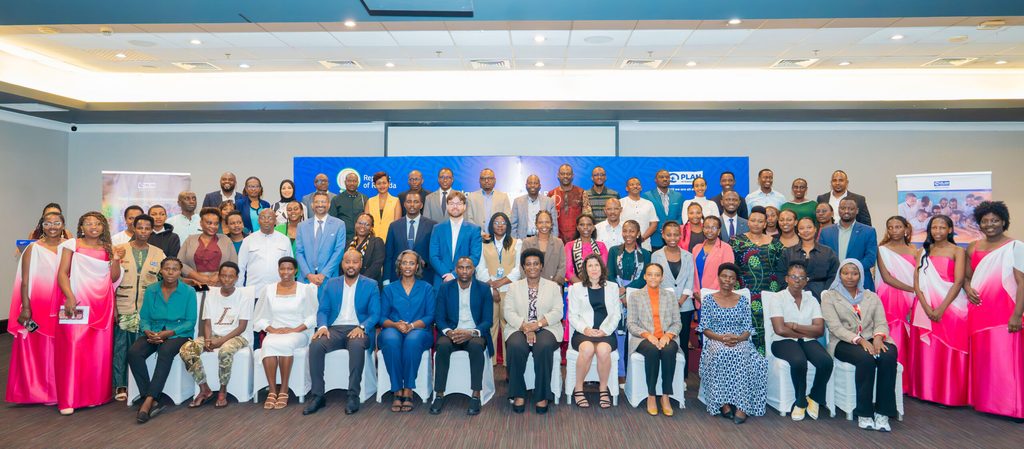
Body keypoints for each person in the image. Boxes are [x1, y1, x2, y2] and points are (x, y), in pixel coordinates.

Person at [54, 211, 121, 415]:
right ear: (81, 227)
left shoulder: (108, 248)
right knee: (73, 349)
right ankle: (68, 399)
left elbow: (113, 278)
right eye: (88, 223)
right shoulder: (71, 245)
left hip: (101, 303)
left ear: (103, 227)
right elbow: (62, 274)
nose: (93, 226)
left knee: (97, 352)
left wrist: (116, 260)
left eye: (98, 223)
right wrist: (70, 296)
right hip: (77, 303)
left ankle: (94, 396)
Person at [821, 259, 898, 432]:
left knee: (888, 355)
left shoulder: (871, 296)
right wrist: (860, 340)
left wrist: (878, 338)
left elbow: (881, 322)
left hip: (873, 338)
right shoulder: (830, 297)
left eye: (854, 273)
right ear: (840, 274)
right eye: (846, 273)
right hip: (844, 341)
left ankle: (883, 412)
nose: (850, 277)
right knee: (866, 359)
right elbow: (835, 327)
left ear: (861, 275)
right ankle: (864, 412)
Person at [964, 201, 1024, 420]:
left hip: (1005, 312)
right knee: (985, 359)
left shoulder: (1016, 246)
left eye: (995, 220)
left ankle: (1012, 407)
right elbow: (966, 276)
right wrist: (967, 288)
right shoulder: (973, 247)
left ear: (1004, 222)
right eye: (985, 221)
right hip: (979, 311)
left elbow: (1022, 282)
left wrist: (1017, 314)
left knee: (1007, 359)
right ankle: (987, 403)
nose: (990, 225)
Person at [304, 250, 381, 416]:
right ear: (342, 264)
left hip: (358, 329)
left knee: (356, 346)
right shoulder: (332, 283)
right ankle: (317, 395)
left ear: (360, 264)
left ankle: (353, 395)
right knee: (316, 345)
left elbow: (375, 314)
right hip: (334, 329)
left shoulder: (371, 284)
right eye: (347, 262)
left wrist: (362, 327)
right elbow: (323, 309)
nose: (351, 265)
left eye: (354, 262)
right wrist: (323, 327)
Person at [127, 257, 197, 423]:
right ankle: (149, 396)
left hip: (180, 333)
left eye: (175, 269)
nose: (171, 272)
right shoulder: (152, 290)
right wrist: (148, 331)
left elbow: (190, 321)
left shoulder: (188, 291)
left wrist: (169, 333)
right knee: (134, 353)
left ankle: (149, 400)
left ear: (180, 272)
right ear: (161, 270)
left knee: (165, 351)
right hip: (154, 331)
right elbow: (144, 317)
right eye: (167, 268)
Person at [909, 215, 968, 406]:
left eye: (942, 227)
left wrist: (941, 308)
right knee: (928, 350)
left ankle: (950, 395)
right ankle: (925, 391)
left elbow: (959, 281)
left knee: (948, 349)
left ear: (950, 230)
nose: (938, 231)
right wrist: (927, 307)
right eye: (934, 227)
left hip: (951, 306)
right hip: (924, 306)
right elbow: (917, 283)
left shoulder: (958, 251)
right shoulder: (922, 252)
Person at [697, 263, 767, 424]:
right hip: (716, 339)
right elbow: (705, 328)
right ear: (719, 277)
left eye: (731, 278)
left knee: (742, 355)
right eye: (724, 276)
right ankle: (724, 403)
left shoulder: (742, 300)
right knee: (721, 353)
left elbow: (748, 328)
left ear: (736, 281)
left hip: (739, 339)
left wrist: (738, 339)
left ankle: (743, 406)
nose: (727, 280)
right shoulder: (708, 299)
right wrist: (722, 338)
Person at [6, 210, 64, 405]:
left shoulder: (69, 247)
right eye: (48, 223)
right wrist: (26, 308)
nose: (52, 227)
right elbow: (25, 280)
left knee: (60, 349)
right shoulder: (34, 248)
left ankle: (58, 391)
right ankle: (39, 392)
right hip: (38, 304)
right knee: (39, 348)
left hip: (63, 305)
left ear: (63, 225)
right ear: (41, 226)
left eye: (57, 223)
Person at [179, 262, 253, 409]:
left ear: (237, 278)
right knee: (186, 349)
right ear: (219, 277)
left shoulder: (243, 296)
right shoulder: (211, 294)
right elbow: (207, 322)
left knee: (225, 351)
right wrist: (207, 339)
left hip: (237, 336)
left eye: (231, 276)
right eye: (224, 276)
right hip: (212, 334)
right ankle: (204, 388)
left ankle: (223, 390)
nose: (227, 279)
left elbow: (242, 326)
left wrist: (220, 342)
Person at [766, 261, 832, 421]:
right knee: (798, 360)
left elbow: (819, 330)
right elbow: (780, 329)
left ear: (806, 280)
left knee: (826, 362)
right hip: (782, 341)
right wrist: (806, 329)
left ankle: (814, 397)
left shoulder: (812, 300)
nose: (797, 280)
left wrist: (795, 326)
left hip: (807, 340)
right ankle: (801, 401)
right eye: (793, 277)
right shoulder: (777, 298)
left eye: (801, 277)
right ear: (787, 278)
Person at [112, 214, 165, 402]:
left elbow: (163, 282)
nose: (143, 231)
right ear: (133, 228)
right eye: (139, 227)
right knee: (121, 347)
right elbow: (110, 281)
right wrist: (114, 309)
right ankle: (120, 385)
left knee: (140, 348)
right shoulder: (119, 250)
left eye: (147, 228)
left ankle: (138, 385)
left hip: (147, 310)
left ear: (152, 230)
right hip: (124, 305)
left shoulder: (158, 254)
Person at [504, 248, 564, 414]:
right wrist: (525, 327)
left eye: (536, 264)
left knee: (543, 347)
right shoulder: (513, 287)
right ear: (523, 267)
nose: (532, 267)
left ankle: (542, 395)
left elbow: (558, 312)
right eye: (528, 264)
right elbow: (508, 312)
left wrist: (536, 325)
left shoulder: (553, 287)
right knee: (516, 346)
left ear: (541, 266)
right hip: (518, 326)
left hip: (547, 327)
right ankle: (518, 393)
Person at [430, 257, 493, 415]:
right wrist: (450, 332)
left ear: (473, 270)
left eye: (468, 268)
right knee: (443, 345)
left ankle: (476, 394)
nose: (464, 271)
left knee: (476, 346)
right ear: (455, 270)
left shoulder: (484, 289)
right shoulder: (446, 288)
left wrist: (471, 332)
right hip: (452, 332)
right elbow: (439, 318)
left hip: (474, 333)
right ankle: (439, 393)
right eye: (461, 267)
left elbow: (487, 320)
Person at [253, 257, 317, 410]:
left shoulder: (305, 289)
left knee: (286, 343)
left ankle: (284, 389)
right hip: (275, 331)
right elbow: (259, 317)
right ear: (278, 270)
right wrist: (272, 329)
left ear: (295, 271)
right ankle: (272, 390)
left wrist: (295, 329)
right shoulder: (268, 289)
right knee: (268, 343)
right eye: (282, 268)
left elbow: (312, 316)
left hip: (298, 332)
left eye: (289, 269)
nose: (285, 272)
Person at [379, 250, 435, 412]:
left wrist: (411, 326)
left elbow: (430, 316)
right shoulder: (389, 289)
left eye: (411, 263)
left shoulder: (426, 288)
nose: (408, 266)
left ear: (417, 266)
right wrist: (396, 325)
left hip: (419, 330)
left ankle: (409, 389)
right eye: (404, 263)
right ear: (399, 265)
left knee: (412, 341)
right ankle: (397, 390)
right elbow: (381, 318)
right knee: (390, 340)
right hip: (393, 328)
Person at [626, 264, 681, 416]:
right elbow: (630, 324)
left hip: (665, 337)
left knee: (669, 350)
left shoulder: (670, 296)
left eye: (657, 275)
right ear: (644, 276)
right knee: (652, 351)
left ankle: (665, 396)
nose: (653, 278)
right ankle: (651, 395)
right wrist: (648, 335)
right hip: (642, 338)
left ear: (662, 277)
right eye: (650, 274)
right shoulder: (636, 296)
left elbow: (677, 322)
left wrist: (667, 336)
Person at [730, 206, 786, 355]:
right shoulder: (736, 241)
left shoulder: (776, 243)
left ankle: (766, 363)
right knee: (745, 326)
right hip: (744, 291)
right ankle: (745, 361)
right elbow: (732, 267)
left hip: (770, 291)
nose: (756, 223)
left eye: (760, 221)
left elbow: (781, 268)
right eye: (753, 220)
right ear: (748, 222)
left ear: (765, 224)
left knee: (767, 326)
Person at [566, 254, 619, 409]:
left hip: (606, 333)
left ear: (601, 268)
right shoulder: (576, 288)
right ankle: (579, 388)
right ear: (585, 269)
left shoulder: (612, 287)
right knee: (587, 349)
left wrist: (605, 330)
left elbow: (616, 314)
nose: (594, 269)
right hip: (583, 332)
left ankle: (603, 389)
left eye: (596, 265)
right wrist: (586, 329)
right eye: (590, 266)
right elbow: (573, 315)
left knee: (603, 350)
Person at [875, 215, 919, 384]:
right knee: (892, 332)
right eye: (890, 227)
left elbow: (917, 275)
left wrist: (915, 292)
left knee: (909, 334)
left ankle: (906, 380)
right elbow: (886, 278)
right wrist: (912, 289)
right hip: (889, 295)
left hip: (911, 298)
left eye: (898, 227)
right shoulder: (882, 249)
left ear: (906, 229)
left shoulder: (915, 250)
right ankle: (890, 378)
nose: (894, 230)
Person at [476, 212, 522, 365]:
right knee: (491, 326)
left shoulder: (517, 243)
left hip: (510, 290)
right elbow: (480, 268)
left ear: (508, 225)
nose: (500, 225)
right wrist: (493, 287)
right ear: (491, 226)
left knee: (509, 325)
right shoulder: (483, 244)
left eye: (503, 222)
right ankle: (492, 361)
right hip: (489, 291)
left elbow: (518, 268)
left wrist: (500, 283)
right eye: (496, 222)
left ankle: (510, 362)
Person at [651, 221, 696, 376]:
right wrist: (671, 301)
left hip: (685, 306)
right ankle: (664, 374)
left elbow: (690, 280)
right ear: (663, 235)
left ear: (680, 235)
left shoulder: (688, 256)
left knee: (682, 340)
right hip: (663, 305)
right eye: (669, 234)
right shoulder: (656, 255)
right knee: (664, 340)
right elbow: (655, 280)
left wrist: (681, 300)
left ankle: (682, 376)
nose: (672, 238)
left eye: (676, 234)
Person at [820, 198, 878, 291]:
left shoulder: (869, 231)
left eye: (851, 209)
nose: (846, 211)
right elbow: (822, 258)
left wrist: (851, 272)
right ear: (838, 210)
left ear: (857, 211)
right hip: (833, 283)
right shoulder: (826, 232)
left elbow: (870, 258)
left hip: (860, 283)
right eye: (843, 208)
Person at [429, 190, 483, 285]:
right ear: (447, 206)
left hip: (465, 281)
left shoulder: (474, 230)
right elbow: (433, 256)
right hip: (442, 280)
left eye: (458, 203)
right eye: (451, 203)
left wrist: (454, 275)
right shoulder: (437, 229)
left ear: (464, 206)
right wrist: (446, 274)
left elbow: (474, 257)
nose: (455, 207)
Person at [781, 217, 839, 302]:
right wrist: (789, 292)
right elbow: (781, 273)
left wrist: (825, 293)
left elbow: (834, 275)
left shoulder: (828, 252)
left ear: (815, 229)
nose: (806, 231)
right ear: (798, 232)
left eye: (809, 227)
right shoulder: (788, 252)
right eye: (802, 228)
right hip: (793, 297)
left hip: (821, 297)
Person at [238, 209, 294, 294]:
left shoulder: (284, 240)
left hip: (278, 291)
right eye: (263, 218)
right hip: (254, 291)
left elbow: (290, 268)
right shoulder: (248, 240)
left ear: (275, 221)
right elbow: (240, 267)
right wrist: (239, 290)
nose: (266, 221)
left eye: (270, 218)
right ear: (258, 221)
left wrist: (289, 289)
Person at [297, 192, 347, 287]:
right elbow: (299, 252)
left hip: (329, 279)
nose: (320, 204)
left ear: (329, 205)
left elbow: (339, 252)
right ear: (312, 205)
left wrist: (324, 274)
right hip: (306, 280)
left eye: (323, 202)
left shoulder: (339, 225)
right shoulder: (302, 226)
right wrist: (309, 274)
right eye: (317, 202)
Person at [179, 208, 238, 288]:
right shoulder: (190, 239)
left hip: (220, 286)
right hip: (194, 285)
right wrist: (199, 277)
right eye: (209, 223)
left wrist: (218, 276)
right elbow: (180, 263)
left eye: (216, 224)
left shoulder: (226, 240)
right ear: (201, 223)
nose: (213, 226)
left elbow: (233, 264)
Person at [384, 193, 436, 284]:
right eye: (409, 202)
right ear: (404, 204)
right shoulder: (394, 226)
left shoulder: (432, 226)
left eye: (416, 202)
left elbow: (434, 255)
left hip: (425, 278)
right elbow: (388, 255)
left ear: (421, 205)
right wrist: (386, 279)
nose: (412, 205)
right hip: (397, 278)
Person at [607, 220, 651, 301]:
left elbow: (644, 278)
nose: (628, 234)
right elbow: (609, 275)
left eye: (632, 231)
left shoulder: (646, 254)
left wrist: (626, 289)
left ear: (638, 233)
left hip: (637, 293)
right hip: (615, 292)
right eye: (625, 231)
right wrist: (619, 292)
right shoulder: (613, 250)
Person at [548, 164, 592, 244]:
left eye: (568, 174)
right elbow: (548, 219)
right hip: (556, 239)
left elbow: (588, 217)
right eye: (562, 174)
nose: (565, 176)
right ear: (558, 175)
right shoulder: (551, 194)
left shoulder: (581, 193)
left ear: (572, 176)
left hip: (578, 238)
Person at [641, 170, 683, 251]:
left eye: (667, 177)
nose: (665, 179)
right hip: (655, 240)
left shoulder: (678, 196)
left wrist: (672, 228)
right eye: (661, 177)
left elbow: (681, 216)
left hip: (673, 239)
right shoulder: (647, 196)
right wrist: (660, 228)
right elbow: (645, 217)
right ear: (655, 180)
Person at [522, 210, 567, 286]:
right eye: (540, 222)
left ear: (552, 224)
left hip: (554, 286)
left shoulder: (558, 243)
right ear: (536, 224)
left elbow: (562, 266)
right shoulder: (527, 242)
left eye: (547, 222)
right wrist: (531, 284)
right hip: (531, 286)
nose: (544, 225)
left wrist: (555, 284)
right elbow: (522, 266)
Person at [692, 216, 736, 291]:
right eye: (707, 227)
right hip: (698, 294)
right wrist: (695, 291)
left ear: (719, 231)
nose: (710, 231)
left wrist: (709, 294)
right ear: (703, 229)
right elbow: (693, 273)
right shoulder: (696, 248)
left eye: (714, 228)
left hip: (718, 294)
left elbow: (726, 274)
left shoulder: (726, 248)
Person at [511, 174, 559, 240]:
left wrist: (554, 242)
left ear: (540, 186)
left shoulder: (549, 202)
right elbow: (513, 225)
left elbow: (554, 225)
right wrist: (515, 242)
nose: (532, 185)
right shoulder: (517, 202)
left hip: (544, 240)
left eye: (535, 183)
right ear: (526, 186)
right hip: (523, 241)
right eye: (530, 183)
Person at [466, 168, 512, 235]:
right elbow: (469, 219)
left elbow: (507, 218)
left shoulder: (503, 197)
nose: (486, 181)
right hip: (477, 236)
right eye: (483, 178)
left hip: (498, 237)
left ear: (494, 180)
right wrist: (480, 233)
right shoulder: (471, 197)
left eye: (489, 178)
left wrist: (498, 233)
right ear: (479, 181)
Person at [565, 214, 607, 285]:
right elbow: (568, 272)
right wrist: (582, 285)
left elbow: (604, 268)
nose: (585, 227)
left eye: (589, 225)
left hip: (597, 285)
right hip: (576, 286)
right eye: (582, 225)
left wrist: (593, 285)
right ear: (577, 227)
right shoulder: (569, 246)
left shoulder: (601, 246)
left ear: (593, 227)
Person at [328, 171, 368, 245]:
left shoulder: (364, 199)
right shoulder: (336, 199)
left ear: (358, 183)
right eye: (349, 181)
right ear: (345, 182)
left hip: (361, 239)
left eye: (354, 181)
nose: (352, 183)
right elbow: (332, 221)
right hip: (342, 239)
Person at [620, 177, 659, 251]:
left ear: (641, 188)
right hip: (624, 244)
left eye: (638, 184)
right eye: (632, 184)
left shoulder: (648, 203)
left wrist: (642, 238)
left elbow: (654, 224)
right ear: (627, 188)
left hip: (645, 245)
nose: (635, 186)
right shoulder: (621, 203)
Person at [349, 213, 386, 287]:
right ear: (355, 224)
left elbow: (376, 266)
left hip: (368, 285)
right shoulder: (349, 243)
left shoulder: (377, 242)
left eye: (367, 224)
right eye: (360, 223)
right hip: (349, 284)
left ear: (372, 227)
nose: (362, 226)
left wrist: (359, 282)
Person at [364, 171, 401, 243]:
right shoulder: (370, 201)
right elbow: (366, 223)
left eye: (384, 183)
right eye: (379, 183)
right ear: (375, 185)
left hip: (390, 240)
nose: (382, 186)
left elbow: (397, 225)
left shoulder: (396, 201)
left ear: (389, 184)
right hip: (372, 240)